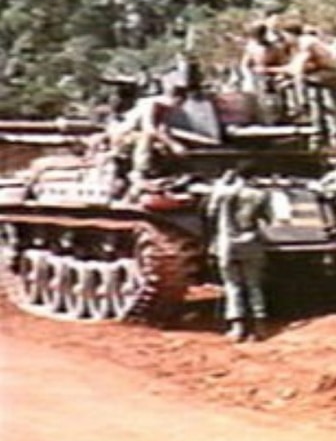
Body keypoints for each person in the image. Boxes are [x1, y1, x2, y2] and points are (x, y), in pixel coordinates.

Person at [205, 161, 276, 343]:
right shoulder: (261, 195)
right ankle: (260, 327)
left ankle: (237, 327)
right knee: (254, 285)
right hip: (251, 242)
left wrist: (223, 183)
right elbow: (269, 219)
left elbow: (210, 212)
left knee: (232, 285)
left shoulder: (224, 193)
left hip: (227, 243)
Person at [113, 65, 194, 187]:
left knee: (163, 145)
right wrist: (172, 144)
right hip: (123, 135)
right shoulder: (151, 104)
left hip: (136, 135)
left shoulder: (166, 109)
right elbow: (149, 128)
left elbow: (162, 128)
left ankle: (165, 173)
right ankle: (140, 171)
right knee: (146, 137)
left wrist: (172, 143)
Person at [275, 20, 336, 147]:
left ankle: (335, 134)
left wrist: (300, 96)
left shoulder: (306, 42)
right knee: (317, 101)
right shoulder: (298, 45)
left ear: (290, 34)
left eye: (285, 36)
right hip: (321, 74)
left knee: (332, 105)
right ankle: (320, 132)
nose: (284, 39)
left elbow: (298, 68)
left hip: (333, 72)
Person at [239, 20, 294, 123]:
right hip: (257, 77)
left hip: (273, 75)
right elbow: (245, 65)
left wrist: (281, 74)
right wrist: (249, 76)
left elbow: (283, 62)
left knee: (279, 94)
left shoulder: (275, 47)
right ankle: (260, 117)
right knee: (256, 96)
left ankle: (281, 116)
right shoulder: (251, 48)